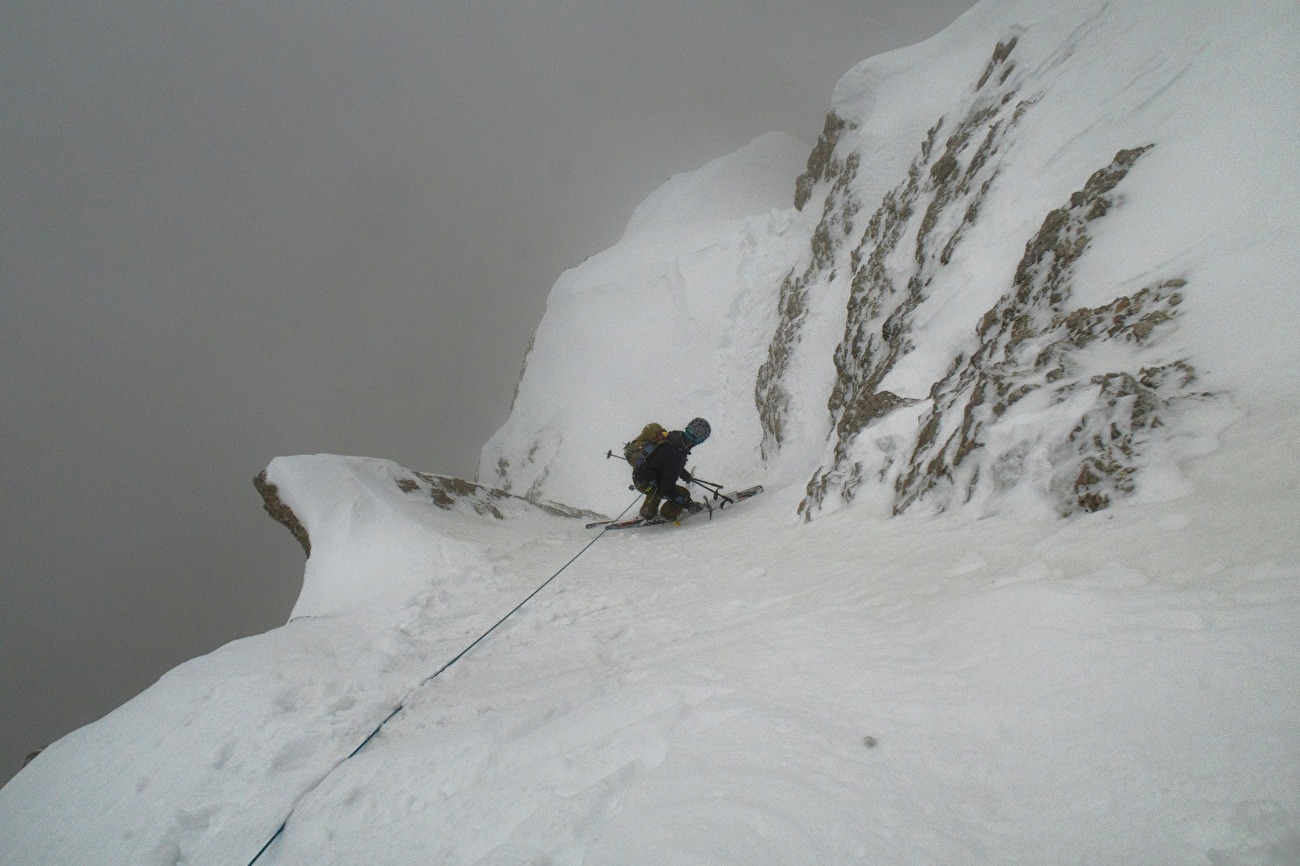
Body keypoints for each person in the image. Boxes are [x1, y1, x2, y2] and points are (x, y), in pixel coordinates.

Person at [632, 417, 711, 521]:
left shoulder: (673, 436)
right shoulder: (678, 455)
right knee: (683, 494)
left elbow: (665, 461)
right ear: (699, 441)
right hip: (646, 483)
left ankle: (647, 511)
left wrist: (682, 473)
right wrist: (686, 503)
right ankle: (664, 515)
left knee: (658, 485)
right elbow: (667, 487)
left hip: (639, 475)